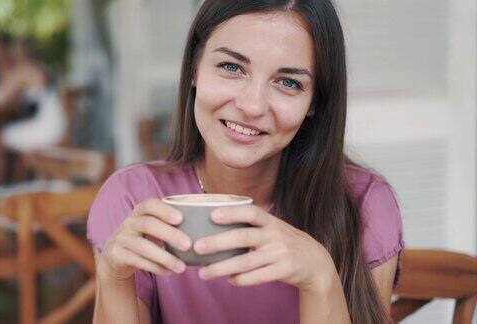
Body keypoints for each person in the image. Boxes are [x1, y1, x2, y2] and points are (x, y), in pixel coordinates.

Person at [87, 1, 404, 323]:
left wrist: (321, 278)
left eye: (289, 83)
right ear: (195, 67)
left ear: (314, 102)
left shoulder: (364, 205)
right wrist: (113, 278)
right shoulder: (133, 198)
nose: (252, 106)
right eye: (231, 67)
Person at [0, 37, 66, 184]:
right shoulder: (40, 67)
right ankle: (15, 185)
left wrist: (4, 73)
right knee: (9, 134)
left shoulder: (23, 70)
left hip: (46, 128)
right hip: (59, 124)